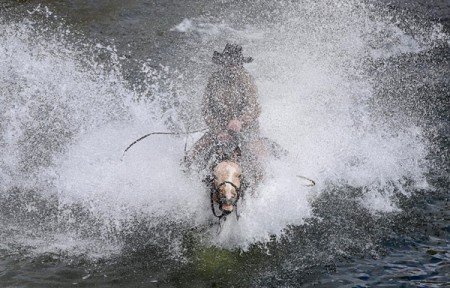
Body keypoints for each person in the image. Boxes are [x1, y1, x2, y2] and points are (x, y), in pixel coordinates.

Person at [184, 43, 267, 186]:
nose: (232, 66)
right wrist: (219, 131)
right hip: (220, 129)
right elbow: (207, 109)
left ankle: (262, 187)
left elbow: (252, 106)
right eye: (229, 62)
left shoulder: (247, 79)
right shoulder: (214, 79)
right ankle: (187, 181)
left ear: (240, 64)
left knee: (258, 158)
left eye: (235, 63)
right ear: (223, 63)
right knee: (193, 153)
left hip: (247, 130)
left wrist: (239, 121)